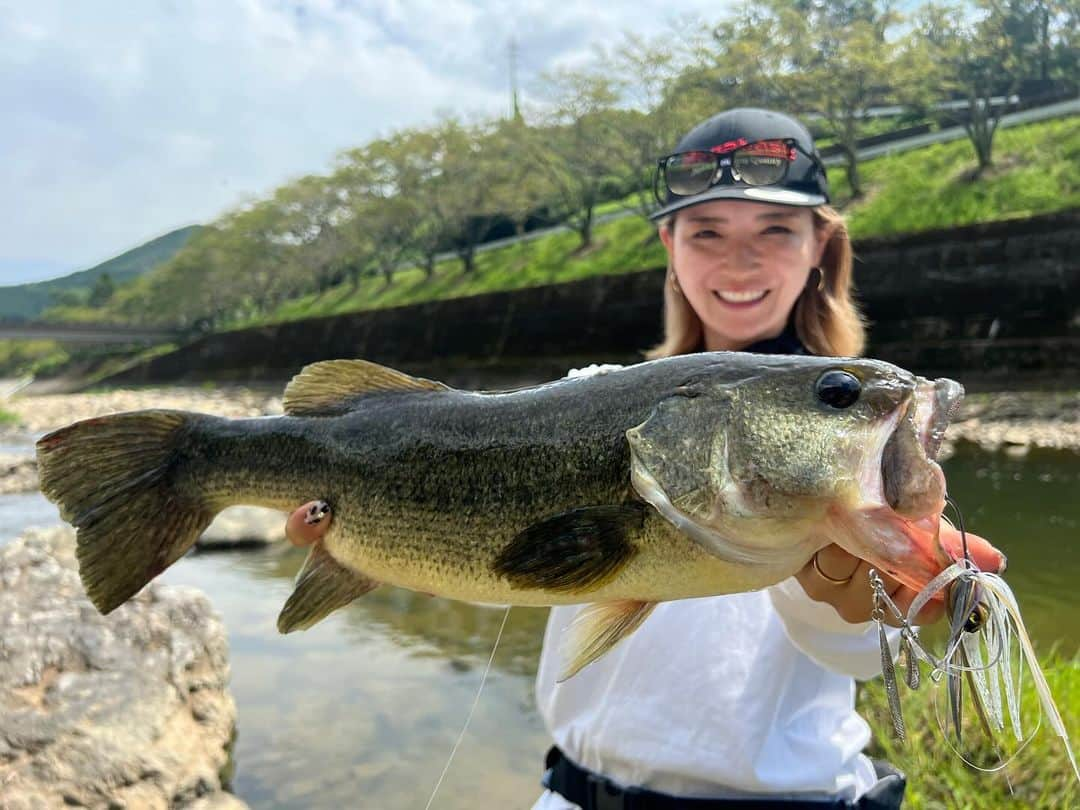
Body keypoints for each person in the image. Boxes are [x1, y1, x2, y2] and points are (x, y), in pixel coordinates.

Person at [284, 108, 943, 809]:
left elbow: (868, 659)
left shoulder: (862, 435)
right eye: (707, 232)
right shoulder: (583, 393)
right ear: (670, 244)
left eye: (775, 230)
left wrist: (853, 601)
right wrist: (376, 545)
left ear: (821, 244)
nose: (738, 260)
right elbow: (506, 560)